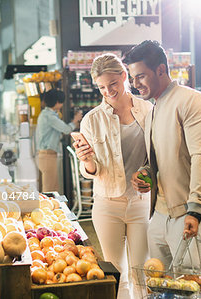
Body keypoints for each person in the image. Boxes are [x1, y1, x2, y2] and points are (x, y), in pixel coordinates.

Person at [124, 40, 201, 275]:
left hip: (191, 211)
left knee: (189, 284)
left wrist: (195, 210)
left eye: (141, 77)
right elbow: (157, 161)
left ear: (160, 70)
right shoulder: (153, 110)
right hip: (160, 213)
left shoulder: (192, 101)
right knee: (160, 283)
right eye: (133, 78)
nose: (135, 85)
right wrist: (145, 174)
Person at [73, 53, 153, 299]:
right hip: (107, 204)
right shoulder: (92, 120)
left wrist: (147, 174)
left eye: (113, 84)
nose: (108, 91)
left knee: (142, 273)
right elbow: (91, 172)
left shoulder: (148, 109)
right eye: (102, 87)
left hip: (141, 203)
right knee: (117, 275)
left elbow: (156, 156)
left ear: (124, 77)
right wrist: (86, 160)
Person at [35, 89, 82, 192]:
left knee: (48, 187)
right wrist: (76, 119)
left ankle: (47, 207)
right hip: (47, 156)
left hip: (44, 155)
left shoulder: (46, 114)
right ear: (57, 102)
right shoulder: (49, 116)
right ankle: (49, 208)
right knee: (50, 189)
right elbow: (66, 129)